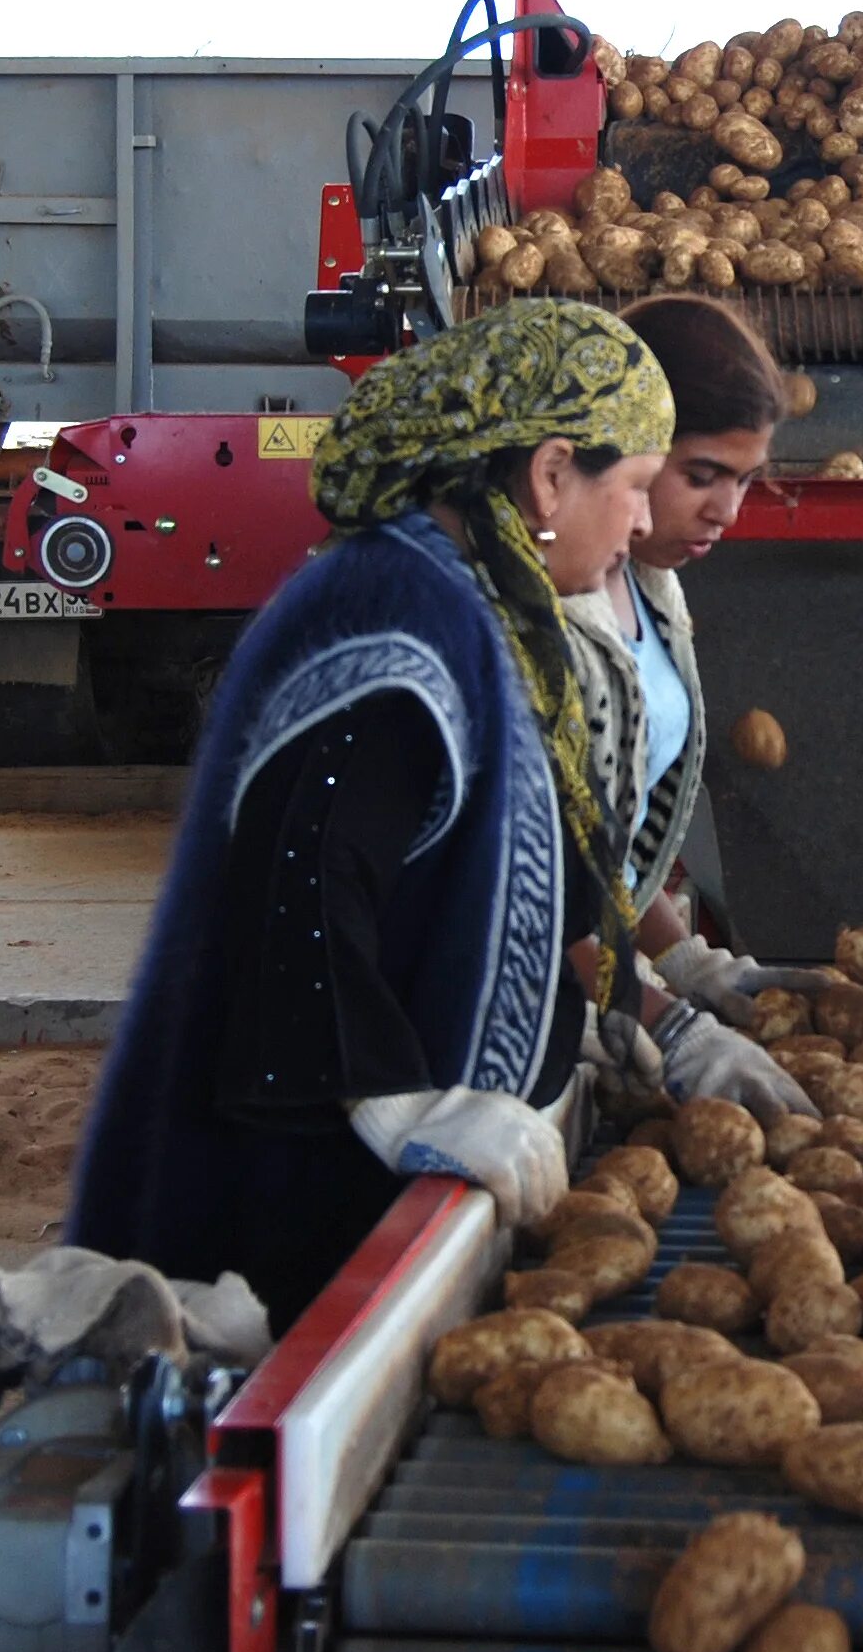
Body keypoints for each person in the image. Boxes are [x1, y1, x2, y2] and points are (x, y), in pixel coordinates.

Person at [64, 302, 672, 1331]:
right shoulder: (394, 613)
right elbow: (303, 870)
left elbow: (505, 830)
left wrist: (629, 1004)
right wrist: (401, 1103)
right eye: (639, 488)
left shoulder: (465, 599)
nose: (644, 525)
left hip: (370, 1201)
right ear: (552, 473)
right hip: (289, 1206)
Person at [563, 294, 826, 1113]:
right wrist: (663, 1022)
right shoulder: (544, 619)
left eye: (747, 480)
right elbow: (544, 880)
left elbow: (612, 861)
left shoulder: (653, 585)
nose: (728, 511)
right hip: (538, 1010)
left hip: (605, 987)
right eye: (700, 475)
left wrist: (688, 966)